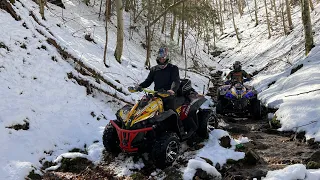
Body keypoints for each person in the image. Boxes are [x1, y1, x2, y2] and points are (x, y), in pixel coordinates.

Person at [137, 47, 180, 111]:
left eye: (163, 58)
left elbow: (176, 81)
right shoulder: (154, 69)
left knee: (170, 112)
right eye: (160, 58)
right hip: (157, 95)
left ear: (166, 58)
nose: (162, 59)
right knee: (145, 107)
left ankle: (177, 120)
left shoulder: (173, 68)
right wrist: (140, 86)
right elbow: (148, 81)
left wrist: (172, 90)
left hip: (169, 96)